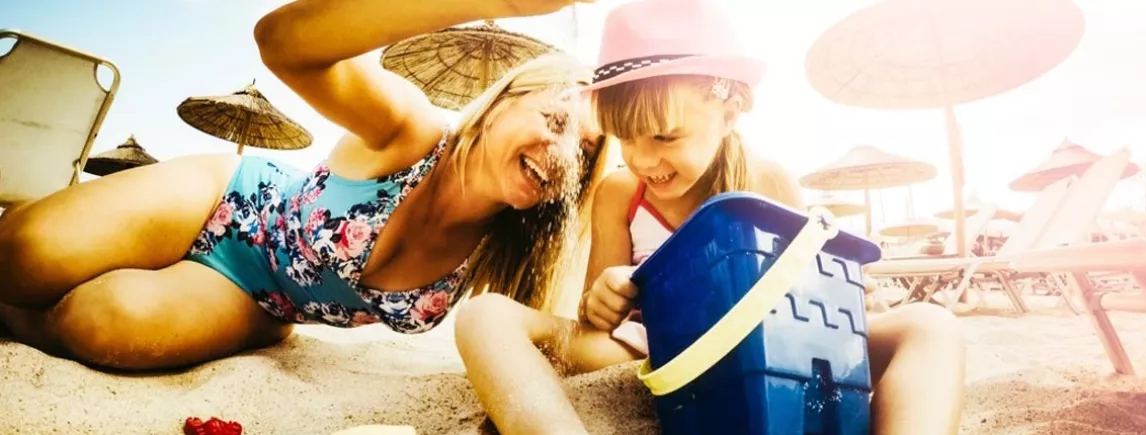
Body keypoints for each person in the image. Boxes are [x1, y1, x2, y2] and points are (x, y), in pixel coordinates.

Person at [0, 0, 609, 371]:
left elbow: (573, 338)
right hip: (225, 198)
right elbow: (285, 44)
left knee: (101, 323)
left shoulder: (510, 249)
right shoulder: (414, 133)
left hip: (257, 300)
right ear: (502, 101)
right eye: (555, 120)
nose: (560, 156)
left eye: (581, 153)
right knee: (24, 255)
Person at [455, 1, 966, 434]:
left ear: (728, 112)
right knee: (485, 316)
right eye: (625, 138)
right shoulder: (619, 194)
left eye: (664, 137)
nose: (642, 159)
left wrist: (856, 297)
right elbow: (599, 321)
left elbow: (812, 301)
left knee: (931, 325)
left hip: (765, 345)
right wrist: (607, 294)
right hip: (650, 353)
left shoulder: (766, 183)